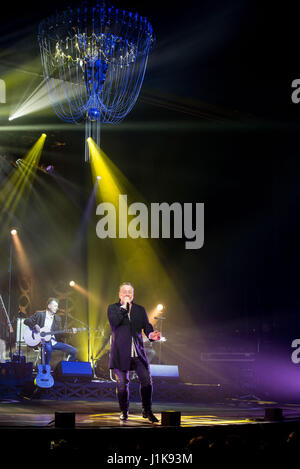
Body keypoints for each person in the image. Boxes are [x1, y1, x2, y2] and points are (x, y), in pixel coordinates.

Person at [108, 282, 161, 422]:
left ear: (133, 295)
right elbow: (115, 322)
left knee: (146, 381)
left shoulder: (140, 309)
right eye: (124, 291)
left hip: (137, 353)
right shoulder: (113, 308)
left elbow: (147, 326)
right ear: (119, 294)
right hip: (120, 353)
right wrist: (124, 308)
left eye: (130, 292)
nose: (127, 294)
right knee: (122, 385)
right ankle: (124, 411)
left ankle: (147, 410)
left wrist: (151, 335)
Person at [24, 297, 77, 365]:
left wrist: (70, 333)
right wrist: (35, 325)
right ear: (49, 306)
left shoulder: (57, 319)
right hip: (41, 341)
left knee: (74, 351)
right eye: (55, 306)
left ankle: (68, 370)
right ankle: (46, 371)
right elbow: (26, 321)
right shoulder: (40, 314)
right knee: (48, 349)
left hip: (53, 342)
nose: (57, 308)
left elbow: (59, 333)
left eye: (57, 306)